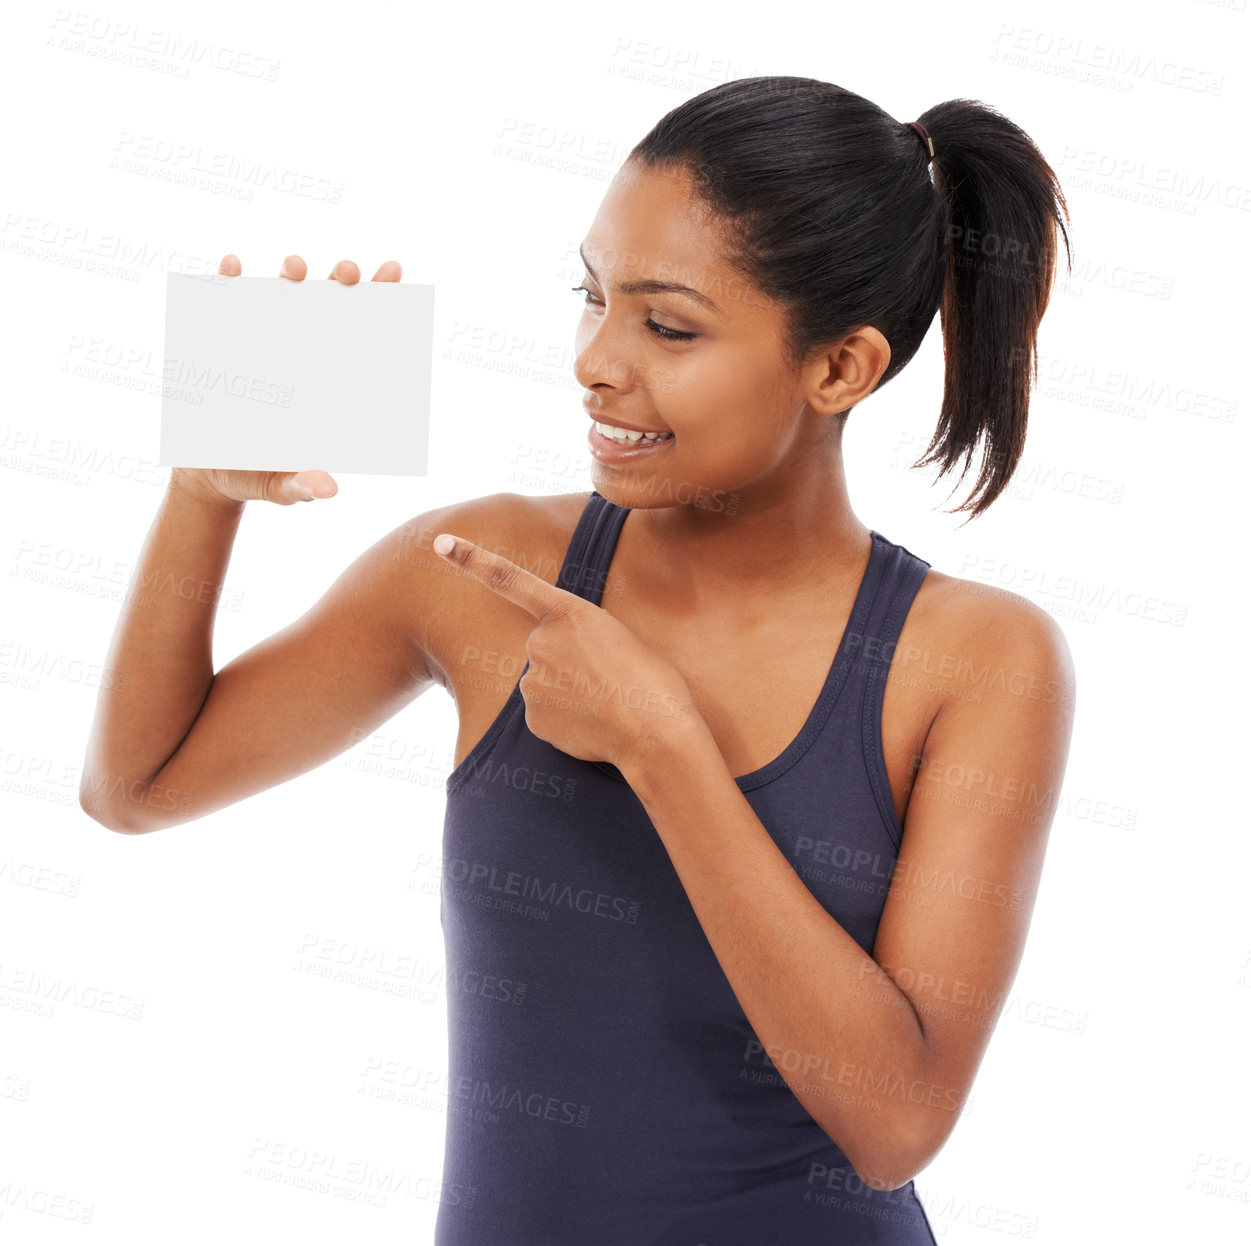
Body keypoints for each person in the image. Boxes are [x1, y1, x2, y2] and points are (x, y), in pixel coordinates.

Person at [80, 75, 1076, 1245]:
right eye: (589, 297)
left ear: (841, 369)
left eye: (667, 324)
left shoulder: (975, 655)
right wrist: (201, 494)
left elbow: (894, 1122)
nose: (594, 361)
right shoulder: (479, 566)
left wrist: (662, 745)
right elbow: (136, 787)